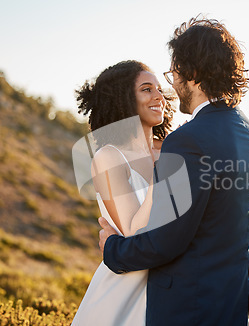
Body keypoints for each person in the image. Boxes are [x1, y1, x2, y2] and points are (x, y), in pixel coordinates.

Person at [98, 17, 249, 325]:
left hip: (188, 309)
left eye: (174, 73)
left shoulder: (187, 141)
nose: (172, 84)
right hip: (228, 305)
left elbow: (166, 241)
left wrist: (112, 249)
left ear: (193, 74)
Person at [71, 60, 175, 325]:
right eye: (147, 89)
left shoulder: (172, 148)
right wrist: (161, 172)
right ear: (123, 98)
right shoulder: (109, 158)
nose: (158, 97)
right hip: (124, 292)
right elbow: (133, 233)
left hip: (173, 286)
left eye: (159, 89)